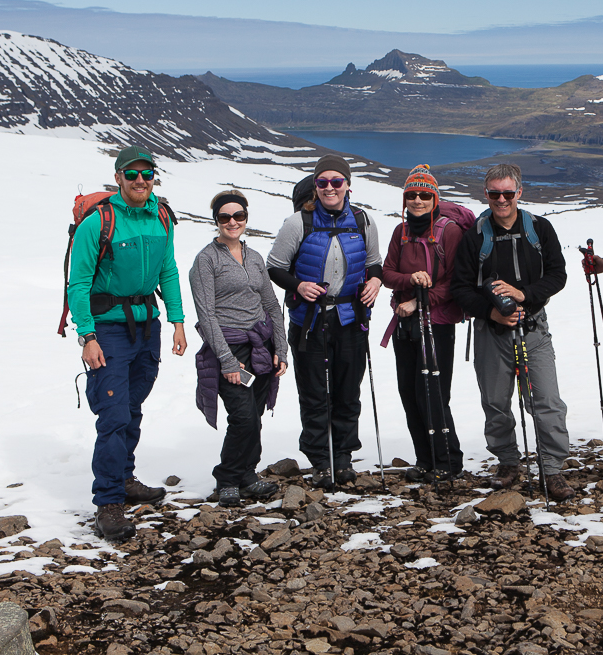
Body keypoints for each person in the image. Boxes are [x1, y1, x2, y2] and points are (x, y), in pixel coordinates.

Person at [67, 145, 187, 542]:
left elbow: (167, 270)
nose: (140, 181)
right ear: (118, 177)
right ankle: (108, 503)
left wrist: (177, 322)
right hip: (108, 330)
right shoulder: (98, 223)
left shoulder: (161, 217)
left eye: (146, 174)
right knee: (114, 414)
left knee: (132, 406)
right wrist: (87, 336)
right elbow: (79, 284)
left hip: (146, 326)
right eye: (131, 174)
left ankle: (125, 478)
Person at [451, 164, 575, 501]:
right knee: (495, 401)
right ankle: (508, 462)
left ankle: (552, 469)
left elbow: (558, 275)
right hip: (492, 332)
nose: (502, 199)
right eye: (495, 193)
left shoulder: (539, 229)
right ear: (486, 194)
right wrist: (490, 311)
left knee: (546, 400)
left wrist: (525, 295)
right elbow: (460, 288)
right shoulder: (476, 235)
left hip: (533, 327)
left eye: (508, 193)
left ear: (519, 192)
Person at [266, 155, 382, 489]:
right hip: (310, 321)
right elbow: (275, 267)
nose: (329, 188)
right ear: (315, 186)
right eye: (322, 182)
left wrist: (375, 281)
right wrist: (298, 285)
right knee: (315, 392)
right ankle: (320, 461)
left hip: (350, 317)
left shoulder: (363, 221)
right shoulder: (297, 223)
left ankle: (343, 457)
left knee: (348, 390)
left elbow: (374, 263)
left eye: (336, 181)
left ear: (347, 185)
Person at [190, 190, 290, 507]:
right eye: (225, 217)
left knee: (255, 414)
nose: (232, 222)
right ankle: (227, 477)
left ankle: (247, 474)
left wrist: (281, 348)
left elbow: (272, 306)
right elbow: (206, 316)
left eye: (239, 216)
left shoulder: (255, 257)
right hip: (229, 349)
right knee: (243, 416)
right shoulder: (206, 261)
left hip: (261, 345)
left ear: (246, 218)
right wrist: (228, 362)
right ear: (216, 220)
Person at [380, 165, 465, 481]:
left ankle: (448, 461)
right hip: (405, 323)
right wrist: (408, 279)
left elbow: (457, 282)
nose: (417, 200)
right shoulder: (399, 232)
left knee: (432, 392)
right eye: (412, 195)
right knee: (409, 391)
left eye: (424, 195)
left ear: (435, 198)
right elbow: (387, 272)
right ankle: (426, 460)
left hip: (437, 324)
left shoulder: (449, 232)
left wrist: (419, 300)